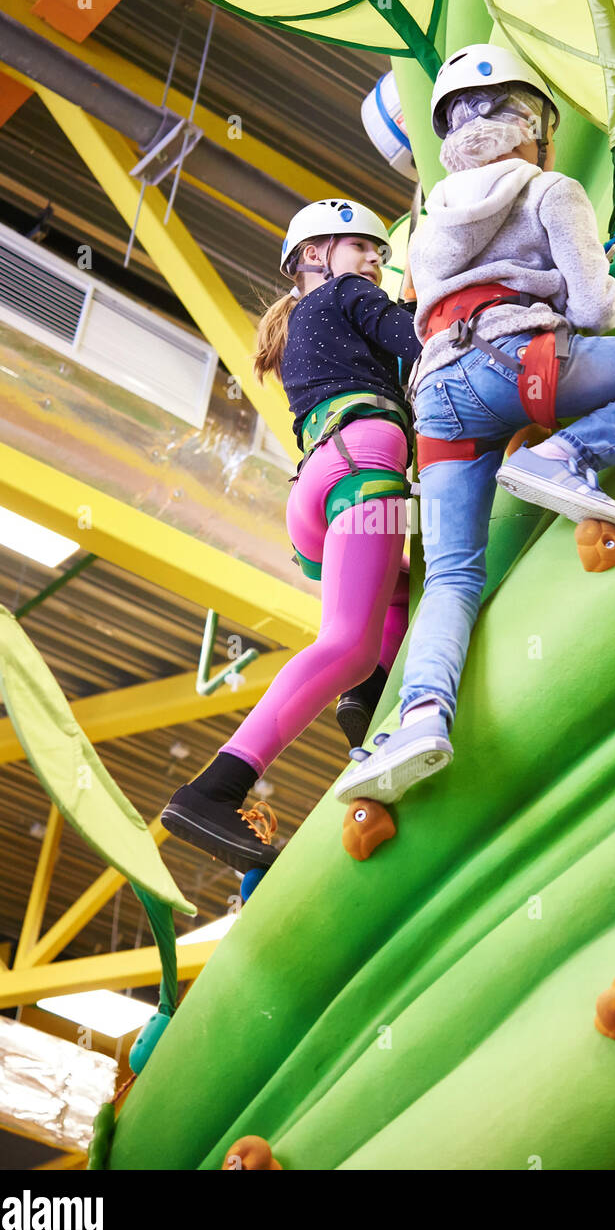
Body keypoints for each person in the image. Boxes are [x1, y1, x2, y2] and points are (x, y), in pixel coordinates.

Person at [335, 43, 615, 805]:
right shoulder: (551, 188)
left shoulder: (426, 226)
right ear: (535, 124)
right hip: (521, 364)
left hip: (439, 396)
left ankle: (422, 715)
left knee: (452, 574)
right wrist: (603, 280)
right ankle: (568, 455)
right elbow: (591, 311)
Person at [162, 199, 421, 870]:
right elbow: (429, 342)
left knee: (394, 595)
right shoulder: (346, 294)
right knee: (346, 642)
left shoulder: (303, 325)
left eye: (379, 252)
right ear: (314, 255)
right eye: (361, 247)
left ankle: (365, 704)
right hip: (364, 462)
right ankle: (214, 790)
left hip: (317, 488)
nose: (374, 260)